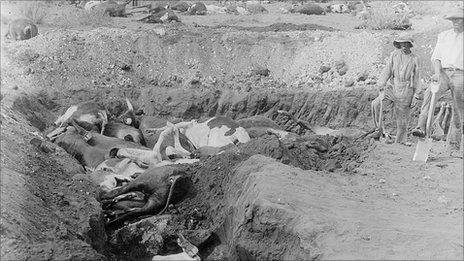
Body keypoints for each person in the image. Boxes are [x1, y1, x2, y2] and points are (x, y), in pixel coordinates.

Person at [411, 8, 463, 157]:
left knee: (459, 109)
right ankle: (421, 127)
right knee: (429, 93)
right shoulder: (444, 36)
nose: (455, 23)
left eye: (458, 20)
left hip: (461, 74)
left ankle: (454, 146)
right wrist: (436, 72)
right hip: (443, 72)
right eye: (453, 20)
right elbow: (436, 57)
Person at [371, 34, 420, 145]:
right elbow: (387, 70)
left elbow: (417, 77)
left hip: (406, 91)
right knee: (376, 104)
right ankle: (379, 130)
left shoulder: (415, 59)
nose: (403, 46)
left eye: (406, 44)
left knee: (402, 121)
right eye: (401, 44)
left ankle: (400, 142)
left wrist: (416, 94)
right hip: (392, 88)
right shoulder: (394, 55)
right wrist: (382, 82)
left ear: (409, 45)